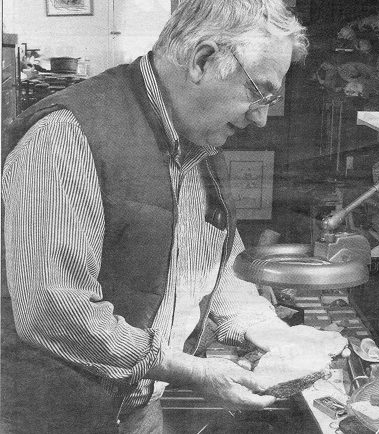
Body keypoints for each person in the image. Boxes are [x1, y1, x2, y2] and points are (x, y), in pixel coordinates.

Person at [2, 0, 347, 432]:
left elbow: (214, 267)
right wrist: (189, 371)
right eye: (259, 92)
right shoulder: (67, 137)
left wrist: (271, 332)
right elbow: (53, 308)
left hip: (138, 409)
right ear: (203, 60)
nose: (261, 118)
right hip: (56, 417)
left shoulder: (198, 141)